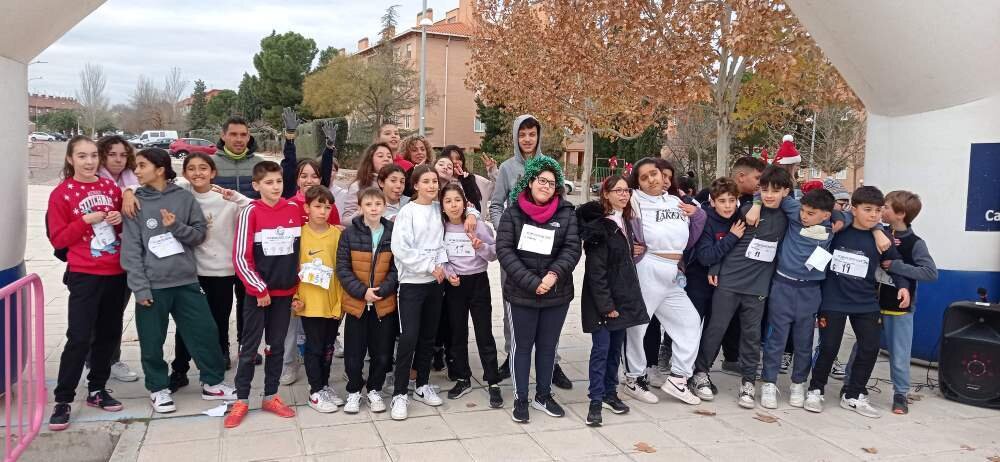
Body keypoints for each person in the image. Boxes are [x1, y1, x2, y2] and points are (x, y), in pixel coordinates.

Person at [120, 148, 236, 413]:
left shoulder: (183, 198)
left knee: (205, 332)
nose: (135, 171)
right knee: (152, 340)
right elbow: (131, 251)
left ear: (160, 169)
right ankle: (158, 388)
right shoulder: (135, 203)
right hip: (152, 285)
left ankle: (213, 382)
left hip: (185, 281)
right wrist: (139, 287)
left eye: (141, 166)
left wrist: (175, 227)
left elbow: (198, 235)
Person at [47, 136, 129, 431]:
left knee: (108, 335)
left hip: (115, 272)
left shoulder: (110, 187)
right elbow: (58, 239)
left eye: (94, 155)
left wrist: (119, 218)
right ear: (70, 159)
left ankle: (97, 389)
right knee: (80, 337)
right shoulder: (61, 194)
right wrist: (86, 220)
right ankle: (63, 398)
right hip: (84, 273)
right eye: (82, 156)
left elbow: (122, 227)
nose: (89, 161)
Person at [807, 186, 911, 418]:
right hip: (833, 301)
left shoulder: (882, 238)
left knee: (870, 347)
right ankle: (816, 389)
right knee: (829, 347)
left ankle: (853, 394)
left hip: (865, 302)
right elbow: (817, 252)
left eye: (877, 210)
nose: (873, 215)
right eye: (867, 210)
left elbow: (893, 263)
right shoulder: (838, 230)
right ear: (853, 209)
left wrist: (903, 286)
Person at [691, 166, 792, 407]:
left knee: (752, 334)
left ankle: (748, 382)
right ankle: (701, 372)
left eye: (775, 191)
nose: (769, 194)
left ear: (785, 192)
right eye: (763, 190)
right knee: (716, 328)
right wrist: (715, 269)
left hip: (758, 286)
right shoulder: (746, 210)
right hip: (729, 280)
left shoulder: (789, 216)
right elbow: (730, 239)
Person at [488, 114, 572, 389]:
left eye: (532, 134)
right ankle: (512, 354)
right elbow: (496, 204)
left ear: (538, 136)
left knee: (551, 307)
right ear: (516, 137)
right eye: (522, 134)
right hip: (515, 252)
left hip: (546, 251)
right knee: (513, 305)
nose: (527, 139)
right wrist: (506, 233)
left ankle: (553, 361)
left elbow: (561, 203)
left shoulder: (550, 166)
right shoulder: (507, 168)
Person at [496, 156, 581, 423]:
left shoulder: (566, 213)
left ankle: (543, 395)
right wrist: (534, 282)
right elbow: (505, 251)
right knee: (522, 347)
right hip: (521, 293)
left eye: (552, 182)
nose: (546, 186)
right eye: (541, 180)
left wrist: (553, 275)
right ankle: (521, 398)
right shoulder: (513, 213)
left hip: (557, 293)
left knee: (547, 347)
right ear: (530, 181)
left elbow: (572, 248)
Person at [226, 161, 304, 428]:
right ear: (256, 186)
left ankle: (271, 396)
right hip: (258, 294)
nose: (275, 187)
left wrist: (298, 285)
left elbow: (302, 248)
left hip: (284, 294)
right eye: (268, 183)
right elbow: (240, 257)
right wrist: (259, 288)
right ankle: (242, 399)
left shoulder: (294, 209)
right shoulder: (250, 212)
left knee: (276, 347)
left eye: (279, 182)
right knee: (249, 349)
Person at [621, 158, 705, 406]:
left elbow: (692, 234)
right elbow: (611, 214)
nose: (652, 179)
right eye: (644, 177)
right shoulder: (634, 199)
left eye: (654, 173)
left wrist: (698, 214)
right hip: (648, 267)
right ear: (637, 182)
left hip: (673, 271)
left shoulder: (676, 201)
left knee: (690, 322)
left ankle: (678, 379)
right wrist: (629, 247)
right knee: (638, 327)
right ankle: (633, 378)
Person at [168, 153, 251, 393]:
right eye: (191, 168)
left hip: (222, 271)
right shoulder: (181, 197)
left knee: (219, 320)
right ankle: (179, 369)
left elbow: (252, 208)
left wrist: (235, 195)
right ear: (184, 173)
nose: (198, 173)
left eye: (203, 168)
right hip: (191, 272)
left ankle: (218, 360)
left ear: (213, 172)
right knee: (186, 324)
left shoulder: (225, 199)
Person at [849, 190, 937, 415]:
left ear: (900, 214)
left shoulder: (916, 243)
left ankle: (901, 394)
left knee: (899, 352)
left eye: (885, 207)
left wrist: (896, 266)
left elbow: (930, 273)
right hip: (870, 303)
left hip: (899, 308)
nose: (880, 211)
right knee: (863, 345)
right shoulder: (877, 232)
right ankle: (852, 384)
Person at [754, 188, 842, 409]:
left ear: (825, 215)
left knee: (804, 342)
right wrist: (756, 204)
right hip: (783, 286)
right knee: (776, 339)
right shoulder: (794, 212)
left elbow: (849, 215)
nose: (804, 216)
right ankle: (769, 383)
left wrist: (841, 217)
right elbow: (773, 194)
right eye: (803, 210)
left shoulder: (831, 228)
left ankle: (798, 383)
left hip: (810, 291)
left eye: (811, 213)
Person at [576, 175, 649, 427]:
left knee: (615, 350)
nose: (623, 194)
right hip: (603, 303)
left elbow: (622, 260)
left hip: (622, 299)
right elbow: (596, 273)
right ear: (605, 194)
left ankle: (610, 393)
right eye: (617, 190)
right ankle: (595, 400)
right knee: (601, 350)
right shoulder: (600, 227)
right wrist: (607, 307)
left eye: (626, 190)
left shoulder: (625, 222)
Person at [388, 165, 449, 420]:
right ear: (415, 185)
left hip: (435, 284)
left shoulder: (439, 209)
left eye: (435, 181)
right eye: (426, 182)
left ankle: (422, 384)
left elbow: (443, 241)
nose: (432, 186)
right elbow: (400, 249)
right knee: (409, 338)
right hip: (412, 284)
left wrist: (443, 267)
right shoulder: (407, 212)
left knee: (428, 337)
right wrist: (428, 267)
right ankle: (400, 393)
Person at [438, 183, 502, 408]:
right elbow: (439, 255)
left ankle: (493, 381)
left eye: (457, 200)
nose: (454, 205)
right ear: (442, 206)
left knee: (484, 333)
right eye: (448, 201)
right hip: (455, 285)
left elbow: (495, 254)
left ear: (465, 203)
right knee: (457, 333)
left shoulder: (477, 225)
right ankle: (463, 377)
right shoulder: (442, 227)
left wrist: (480, 246)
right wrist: (449, 273)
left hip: (478, 282)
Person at [337, 187, 398, 414]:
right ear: (360, 207)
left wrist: (383, 289)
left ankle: (374, 389)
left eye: (378, 204)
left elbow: (396, 267)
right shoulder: (349, 233)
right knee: (354, 353)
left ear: (384, 206)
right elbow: (342, 269)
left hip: (384, 303)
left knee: (382, 353)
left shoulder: (392, 232)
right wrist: (362, 291)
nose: (373, 208)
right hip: (357, 304)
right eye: (369, 204)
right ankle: (354, 390)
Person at [682, 178, 744, 392]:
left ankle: (701, 373)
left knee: (714, 329)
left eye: (732, 200)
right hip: (698, 280)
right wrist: (732, 237)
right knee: (692, 327)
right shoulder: (706, 219)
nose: (727, 205)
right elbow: (706, 256)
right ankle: (682, 371)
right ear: (713, 201)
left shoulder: (740, 216)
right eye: (722, 201)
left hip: (724, 283)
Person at [292, 186, 346, 413]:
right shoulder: (299, 235)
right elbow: (292, 268)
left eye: (327, 207)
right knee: (314, 348)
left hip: (333, 302)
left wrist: (341, 301)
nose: (323, 211)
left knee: (328, 347)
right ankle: (315, 391)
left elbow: (344, 269)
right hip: (310, 302)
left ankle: (324, 386)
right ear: (306, 208)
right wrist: (295, 297)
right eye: (317, 206)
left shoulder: (338, 234)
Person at [95, 134, 140, 383]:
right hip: (95, 258)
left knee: (114, 313)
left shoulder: (131, 181)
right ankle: (94, 359)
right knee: (92, 315)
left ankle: (111, 360)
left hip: (124, 258)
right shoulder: (93, 181)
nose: (118, 160)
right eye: (112, 154)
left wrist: (130, 192)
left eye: (123, 155)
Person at [214, 116, 265, 199]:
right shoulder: (209, 163)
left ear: (248, 137)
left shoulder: (260, 164)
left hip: (253, 212)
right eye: (233, 134)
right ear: (223, 136)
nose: (239, 139)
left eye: (243, 135)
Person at [343, 143, 395, 221]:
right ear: (370, 159)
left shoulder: (398, 185)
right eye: (380, 156)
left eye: (389, 156)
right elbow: (345, 220)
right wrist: (362, 212)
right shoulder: (357, 186)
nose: (386, 159)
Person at [445, 145, 494, 212]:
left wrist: (493, 172)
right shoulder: (439, 182)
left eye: (458, 158)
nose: (454, 161)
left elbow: (499, 191)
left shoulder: (476, 180)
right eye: (450, 159)